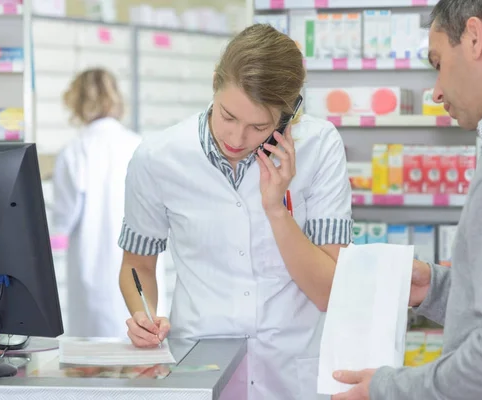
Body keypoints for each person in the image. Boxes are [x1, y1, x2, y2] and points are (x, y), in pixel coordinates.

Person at [330, 0, 482, 399]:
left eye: (438, 63)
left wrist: (389, 390)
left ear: (474, 37)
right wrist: (437, 288)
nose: (436, 92)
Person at [118, 24, 353, 399]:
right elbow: (137, 265)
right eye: (228, 116)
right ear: (214, 84)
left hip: (292, 371)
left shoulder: (320, 146)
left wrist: (276, 209)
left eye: (259, 126)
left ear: (289, 114)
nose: (236, 139)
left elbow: (329, 292)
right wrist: (143, 314)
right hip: (200, 363)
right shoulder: (158, 157)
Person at [52, 68, 141, 339]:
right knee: (139, 363)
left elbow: (63, 222)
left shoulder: (75, 151)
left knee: (94, 366)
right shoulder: (139, 145)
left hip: (93, 272)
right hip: (140, 274)